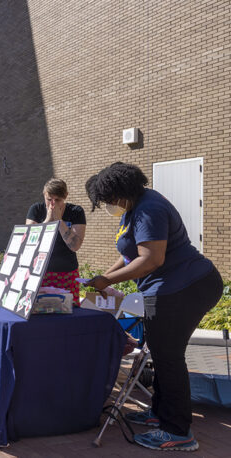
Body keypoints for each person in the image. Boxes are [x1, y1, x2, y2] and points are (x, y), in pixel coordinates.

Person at [84, 162, 222, 452]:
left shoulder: (149, 209)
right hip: (173, 288)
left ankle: (177, 431)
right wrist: (105, 281)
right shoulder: (136, 207)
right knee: (161, 354)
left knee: (169, 357)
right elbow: (129, 254)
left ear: (121, 191)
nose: (108, 205)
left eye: (108, 200)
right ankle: (160, 412)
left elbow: (151, 259)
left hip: (184, 287)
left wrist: (106, 280)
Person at [25, 178, 86, 306]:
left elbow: (75, 246)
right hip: (40, 273)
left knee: (70, 311)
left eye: (57, 200)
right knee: (39, 312)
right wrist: (48, 220)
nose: (52, 204)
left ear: (65, 197)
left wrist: (59, 221)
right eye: (49, 199)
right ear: (44, 194)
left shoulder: (76, 211)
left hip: (67, 273)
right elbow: (29, 242)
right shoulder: (36, 210)